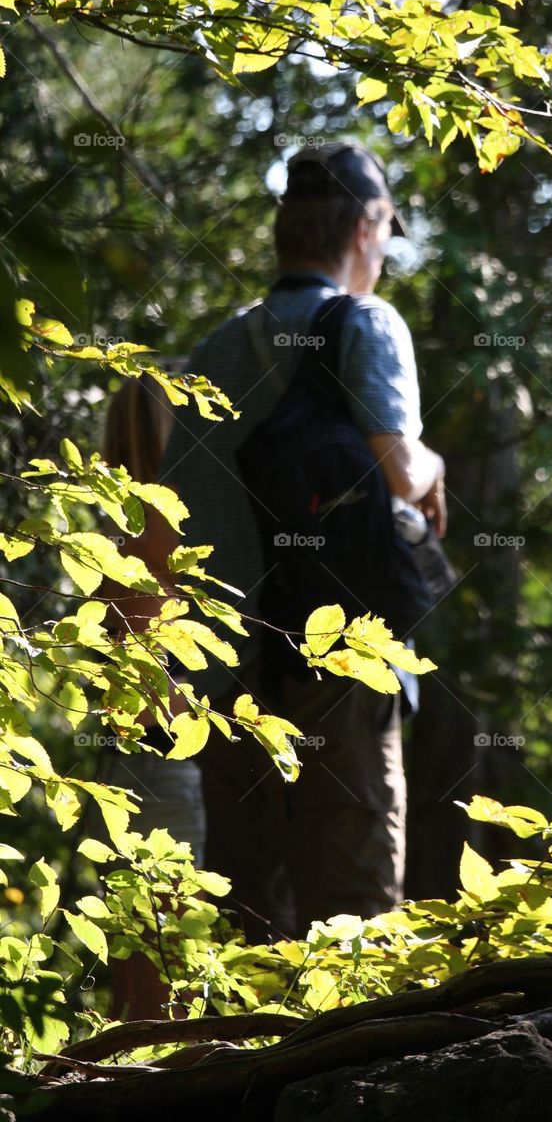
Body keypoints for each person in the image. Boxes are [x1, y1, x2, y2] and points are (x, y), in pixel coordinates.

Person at [155, 140, 446, 943]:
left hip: (227, 675)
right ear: (365, 229)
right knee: (352, 904)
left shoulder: (217, 348)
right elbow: (396, 464)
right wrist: (433, 466)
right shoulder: (365, 323)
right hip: (340, 659)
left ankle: (250, 1071)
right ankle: (356, 1066)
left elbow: (166, 517)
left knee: (249, 909)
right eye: (386, 229)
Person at [89, 370, 207, 1019]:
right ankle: (174, 1076)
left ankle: (125, 1070)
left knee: (129, 933)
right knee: (173, 930)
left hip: (117, 746)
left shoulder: (104, 526)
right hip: (166, 739)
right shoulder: (176, 514)